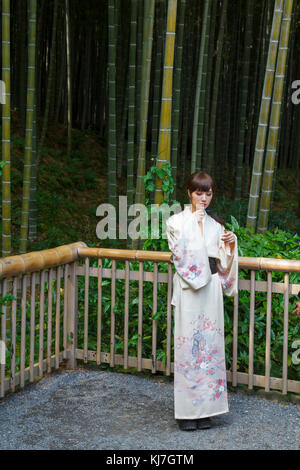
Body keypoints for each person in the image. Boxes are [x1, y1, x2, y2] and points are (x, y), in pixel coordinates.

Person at [165, 171, 238, 431]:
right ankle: (187, 413)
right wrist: (194, 227)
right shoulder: (176, 222)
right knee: (188, 349)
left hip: (210, 290)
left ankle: (207, 410)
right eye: (199, 192)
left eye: (208, 193)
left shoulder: (216, 225)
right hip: (188, 287)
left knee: (209, 347)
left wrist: (230, 244)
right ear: (189, 193)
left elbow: (222, 262)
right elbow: (179, 254)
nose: (203, 198)